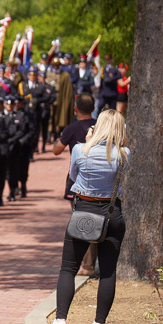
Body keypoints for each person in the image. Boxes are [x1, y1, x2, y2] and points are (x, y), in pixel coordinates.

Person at [44, 110, 129, 324]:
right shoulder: (123, 154)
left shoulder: (81, 150)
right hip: (112, 214)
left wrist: (89, 140)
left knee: (68, 268)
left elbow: (73, 175)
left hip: (84, 211)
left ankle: (61, 320)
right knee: (108, 272)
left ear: (97, 126)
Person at [53, 93, 97, 276]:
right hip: (97, 177)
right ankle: (89, 263)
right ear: (94, 109)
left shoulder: (71, 128)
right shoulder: (100, 127)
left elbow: (57, 150)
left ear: (75, 109)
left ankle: (86, 266)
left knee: (81, 220)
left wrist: (62, 138)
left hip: (76, 179)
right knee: (95, 218)